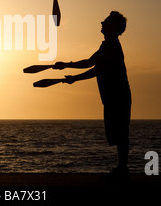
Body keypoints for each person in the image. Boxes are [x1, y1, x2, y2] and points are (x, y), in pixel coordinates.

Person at [54, 11, 132, 177]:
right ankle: (121, 169)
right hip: (112, 97)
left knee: (120, 134)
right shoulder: (107, 45)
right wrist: (66, 65)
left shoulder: (112, 47)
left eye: (106, 21)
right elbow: (90, 62)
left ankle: (122, 170)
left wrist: (74, 78)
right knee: (118, 134)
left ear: (113, 26)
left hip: (118, 96)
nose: (101, 22)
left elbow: (96, 69)